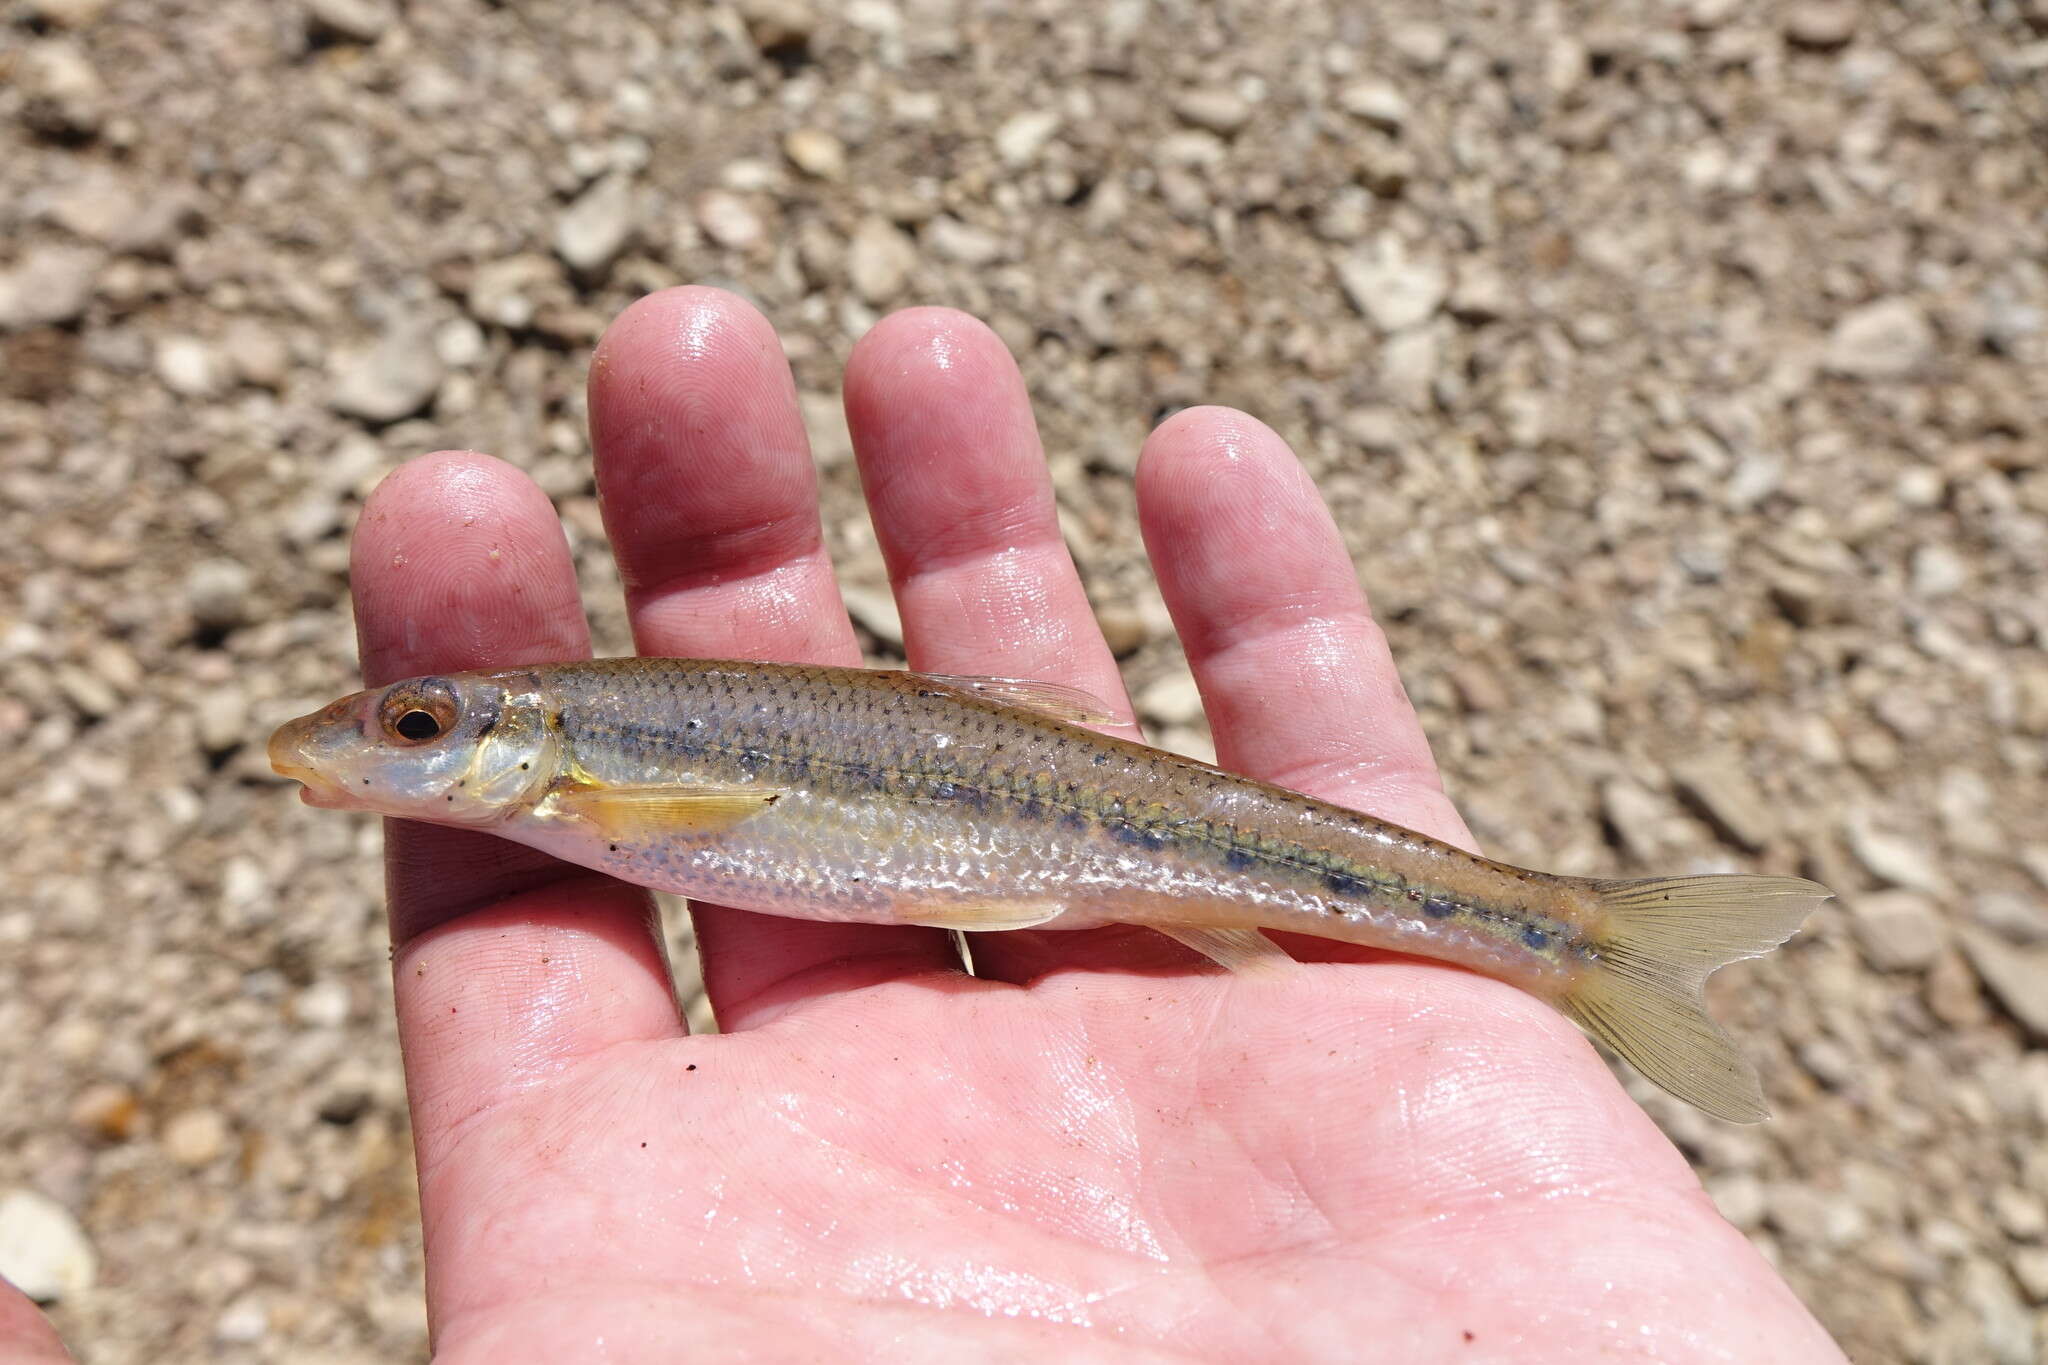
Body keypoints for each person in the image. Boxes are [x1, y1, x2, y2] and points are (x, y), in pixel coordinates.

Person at [1, 290, 1843, 1361]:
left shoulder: (589, 767)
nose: (379, 748)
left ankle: (1563, 931)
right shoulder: (582, 785)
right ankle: (1563, 933)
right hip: (1048, 828)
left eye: (413, 728)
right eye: (409, 728)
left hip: (1074, 825)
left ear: (510, 743)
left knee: (1288, 857)